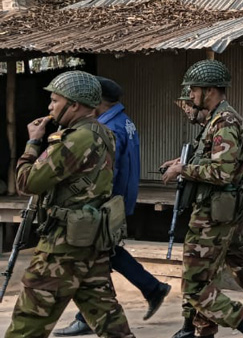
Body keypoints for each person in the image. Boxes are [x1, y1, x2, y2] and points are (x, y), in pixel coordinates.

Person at [5, 71, 136, 338]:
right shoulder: (103, 133)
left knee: (28, 321)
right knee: (108, 320)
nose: (50, 107)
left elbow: (27, 182)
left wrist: (32, 144)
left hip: (63, 246)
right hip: (91, 243)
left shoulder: (76, 139)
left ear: (74, 104)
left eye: (55, 100)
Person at [160, 60, 243, 338]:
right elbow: (214, 159)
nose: (190, 96)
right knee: (212, 272)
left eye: (194, 90)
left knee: (195, 286)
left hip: (213, 214)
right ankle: (200, 330)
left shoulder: (225, 122)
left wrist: (183, 169)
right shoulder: (217, 119)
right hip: (212, 210)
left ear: (210, 90)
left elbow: (223, 172)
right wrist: (183, 161)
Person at [54, 77, 172, 337]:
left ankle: (148, 290)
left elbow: (106, 169)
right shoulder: (124, 121)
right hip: (120, 199)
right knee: (105, 254)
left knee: (97, 255)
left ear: (97, 102)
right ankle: (149, 289)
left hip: (106, 203)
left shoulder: (109, 128)